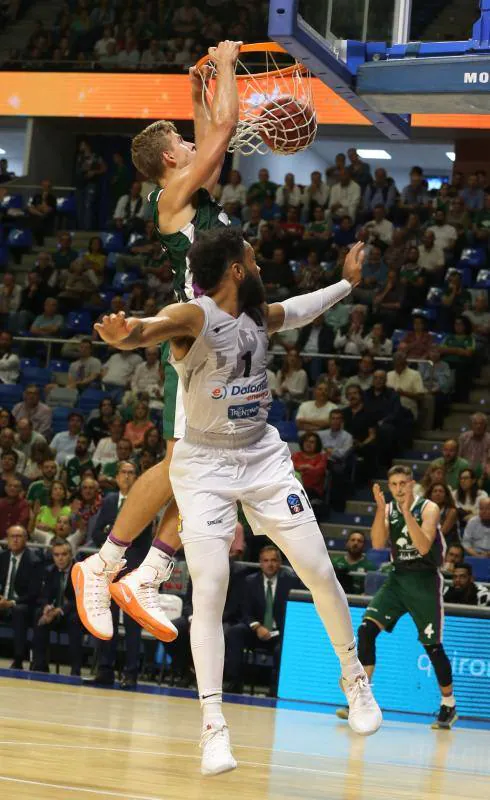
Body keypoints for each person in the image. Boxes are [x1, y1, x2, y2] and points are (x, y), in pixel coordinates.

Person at [87, 229, 381, 774]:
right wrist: (127, 334)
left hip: (262, 457)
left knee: (319, 570)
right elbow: (153, 328)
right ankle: (214, 726)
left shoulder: (256, 313)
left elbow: (299, 309)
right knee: (212, 586)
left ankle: (354, 678)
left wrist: (346, 282)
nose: (259, 258)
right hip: (203, 466)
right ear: (236, 269)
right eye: (251, 255)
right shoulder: (194, 316)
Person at [73, 41, 243, 655]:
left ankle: (148, 575)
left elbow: (212, 134)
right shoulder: (173, 200)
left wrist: (198, 88)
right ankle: (103, 564)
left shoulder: (189, 192)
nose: (199, 150)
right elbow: (222, 131)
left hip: (225, 347)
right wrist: (224, 64)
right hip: (194, 346)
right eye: (186, 144)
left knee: (209, 474)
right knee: (180, 467)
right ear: (173, 158)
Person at [337, 466, 457, 730]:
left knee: (432, 646)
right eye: (393, 484)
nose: (399, 489)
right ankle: (361, 700)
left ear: (412, 483)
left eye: (403, 483)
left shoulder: (429, 508)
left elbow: (424, 547)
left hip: (424, 582)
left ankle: (448, 704)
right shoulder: (388, 509)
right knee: (366, 630)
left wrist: (406, 513)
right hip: (398, 578)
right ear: (389, 487)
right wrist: (381, 510)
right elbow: (378, 544)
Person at [88, 462, 153, 689]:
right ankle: (105, 670)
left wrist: (113, 533)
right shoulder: (108, 501)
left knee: (133, 624)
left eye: (131, 472)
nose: (127, 476)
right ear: (116, 477)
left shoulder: (144, 500)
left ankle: (131, 673)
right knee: (108, 620)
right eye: (123, 472)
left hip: (133, 571)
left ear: (137, 477)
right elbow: (97, 533)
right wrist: (111, 538)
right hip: (109, 570)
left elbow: (142, 538)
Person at [224, 546, 299, 694]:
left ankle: (275, 689)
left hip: (280, 634)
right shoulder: (250, 581)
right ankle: (234, 682)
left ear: (279, 563)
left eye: (273, 560)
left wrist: (279, 631)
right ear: (260, 563)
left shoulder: (291, 582)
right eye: (265, 561)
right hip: (256, 631)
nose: (269, 564)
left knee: (283, 647)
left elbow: (294, 613)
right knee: (235, 632)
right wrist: (257, 627)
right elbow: (245, 612)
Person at [31, 539, 84, 675]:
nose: (60, 558)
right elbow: (44, 595)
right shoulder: (50, 570)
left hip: (74, 612)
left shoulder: (79, 571)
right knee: (39, 615)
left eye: (64, 554)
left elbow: (79, 599)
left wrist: (60, 610)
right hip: (55, 613)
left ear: (71, 555)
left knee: (74, 620)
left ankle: (75, 669)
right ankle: (40, 666)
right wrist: (46, 607)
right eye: (56, 555)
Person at [0, 525, 42, 669]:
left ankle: (18, 659)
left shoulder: (34, 560)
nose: (15, 540)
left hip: (23, 604)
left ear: (26, 539)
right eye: (12, 536)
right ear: (7, 539)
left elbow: (33, 593)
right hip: (2, 601)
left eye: (19, 536)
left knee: (19, 610)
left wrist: (11, 602)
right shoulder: (2, 557)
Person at [31, 480, 72, 545]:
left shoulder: (69, 510)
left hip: (60, 542)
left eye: (60, 489)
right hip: (39, 540)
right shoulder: (43, 509)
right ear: (50, 493)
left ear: (64, 494)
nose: (58, 491)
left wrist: (50, 528)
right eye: (55, 489)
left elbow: (68, 531)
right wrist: (37, 521)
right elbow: (33, 527)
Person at [291, 433, 328, 502]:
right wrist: (305, 467)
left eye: (312, 442)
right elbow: (289, 468)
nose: (308, 444)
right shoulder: (296, 455)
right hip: (293, 487)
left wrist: (299, 471)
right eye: (306, 441)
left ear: (317, 445)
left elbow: (317, 474)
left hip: (312, 490)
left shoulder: (321, 457)